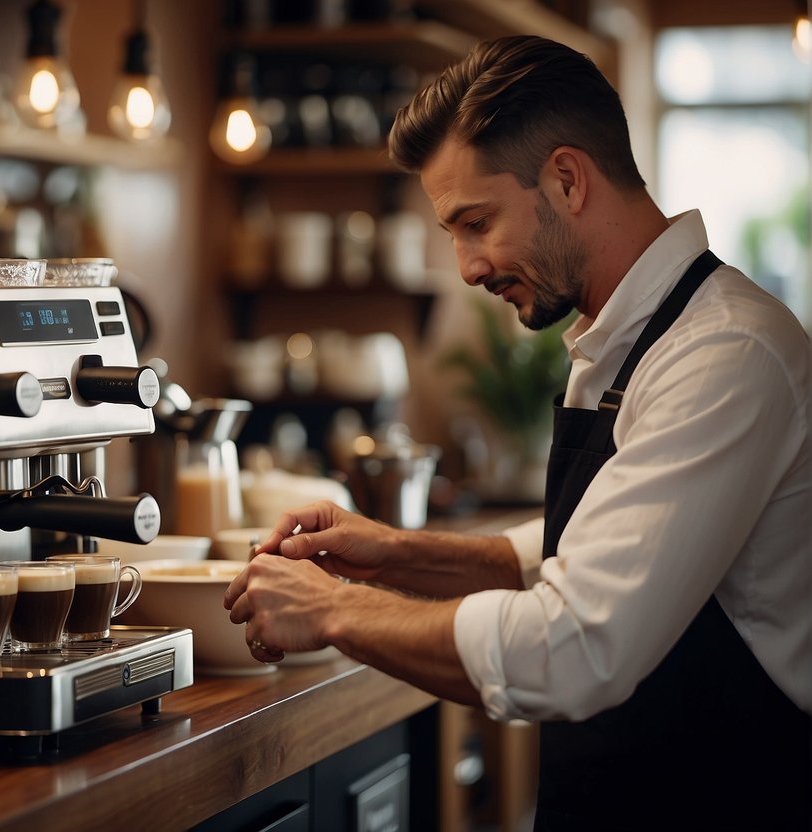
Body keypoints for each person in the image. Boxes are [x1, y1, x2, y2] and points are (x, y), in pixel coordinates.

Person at [223, 35, 811, 832]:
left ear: (566, 179)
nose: (465, 266)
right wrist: (398, 554)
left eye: (476, 222)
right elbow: (593, 543)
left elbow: (577, 646)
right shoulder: (621, 337)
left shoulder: (723, 353)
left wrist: (332, 609)